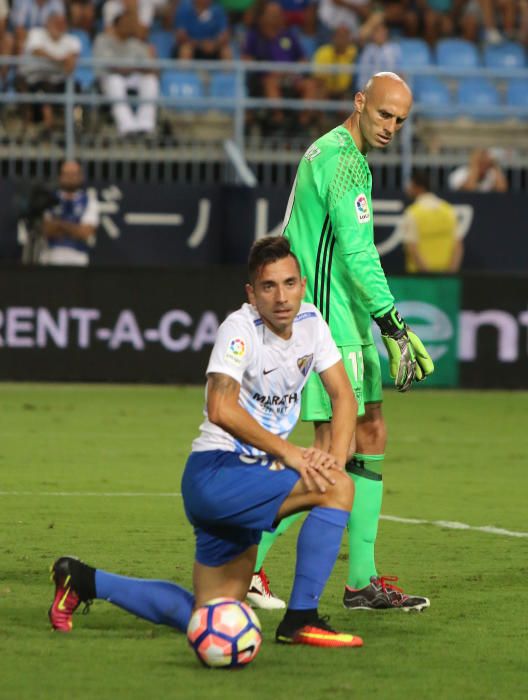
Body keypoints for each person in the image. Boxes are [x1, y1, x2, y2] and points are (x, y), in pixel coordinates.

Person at [48, 236, 364, 649]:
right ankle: (301, 619)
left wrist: (334, 459)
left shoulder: (311, 323)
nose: (281, 297)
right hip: (218, 474)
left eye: (289, 284)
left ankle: (81, 579)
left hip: (248, 480)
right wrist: (292, 453)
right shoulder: (239, 329)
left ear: (303, 285)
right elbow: (220, 408)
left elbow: (344, 395)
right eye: (268, 287)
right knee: (337, 489)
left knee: (211, 615)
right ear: (252, 293)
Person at [248, 73, 434, 612]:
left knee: (370, 430)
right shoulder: (345, 161)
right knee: (334, 454)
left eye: (400, 120)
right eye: (383, 115)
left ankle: (361, 581)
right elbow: (356, 254)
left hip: (338, 319)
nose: (391, 127)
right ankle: (247, 564)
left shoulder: (331, 151)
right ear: (360, 103)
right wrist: (393, 322)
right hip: (329, 323)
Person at [93, 10, 160, 137]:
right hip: (108, 80)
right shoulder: (103, 40)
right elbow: (113, 67)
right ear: (116, 26)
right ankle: (127, 126)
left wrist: (143, 64)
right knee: (115, 80)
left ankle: (145, 125)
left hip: (131, 77)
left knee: (150, 80)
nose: (129, 27)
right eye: (125, 24)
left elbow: (150, 68)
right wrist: (133, 68)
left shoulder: (135, 43)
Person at [17, 12, 80, 131]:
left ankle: (75, 127)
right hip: (34, 78)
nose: (60, 26)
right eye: (56, 23)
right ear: (48, 24)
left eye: (62, 24)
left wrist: (60, 61)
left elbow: (71, 64)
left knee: (75, 86)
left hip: (59, 79)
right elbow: (37, 51)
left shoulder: (71, 39)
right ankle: (48, 127)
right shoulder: (36, 33)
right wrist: (59, 59)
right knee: (45, 88)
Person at [401, 169, 463, 274]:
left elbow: (412, 248)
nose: (408, 189)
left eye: (410, 185)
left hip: (419, 279)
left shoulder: (412, 213)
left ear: (418, 187)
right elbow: (458, 247)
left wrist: (428, 275)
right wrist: (451, 274)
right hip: (446, 278)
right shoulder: (448, 210)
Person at [39, 159, 99, 265]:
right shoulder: (48, 198)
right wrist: (74, 227)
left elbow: (85, 232)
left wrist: (59, 224)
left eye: (74, 174)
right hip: (50, 257)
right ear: (60, 176)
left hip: (78, 258)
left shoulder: (89, 200)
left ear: (81, 176)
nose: (70, 177)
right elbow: (46, 229)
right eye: (66, 174)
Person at [313, 25, 358, 102]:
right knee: (317, 93)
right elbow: (318, 79)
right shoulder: (323, 52)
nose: (341, 40)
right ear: (333, 37)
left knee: (350, 104)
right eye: (339, 36)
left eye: (344, 36)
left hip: (345, 92)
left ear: (349, 39)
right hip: (325, 90)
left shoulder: (353, 51)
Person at [356, 21, 401, 92]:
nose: (380, 34)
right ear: (373, 34)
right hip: (371, 89)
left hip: (390, 88)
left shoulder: (394, 49)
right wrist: (363, 89)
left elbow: (399, 71)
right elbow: (363, 73)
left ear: (386, 33)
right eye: (377, 32)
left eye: (382, 31)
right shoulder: (368, 49)